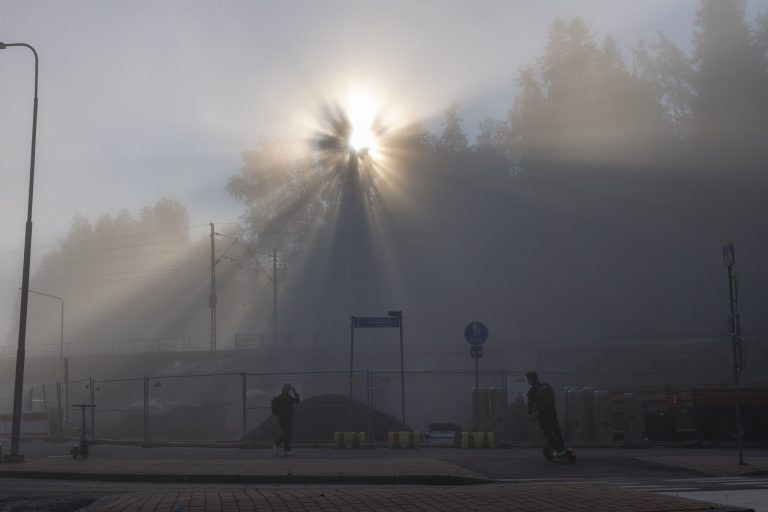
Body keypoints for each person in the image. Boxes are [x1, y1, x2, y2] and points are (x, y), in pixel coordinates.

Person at [526, 371, 566, 455]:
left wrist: (530, 412)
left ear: (531, 379)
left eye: (528, 379)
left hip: (543, 413)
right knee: (556, 430)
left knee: (548, 432)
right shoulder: (546, 385)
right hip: (552, 410)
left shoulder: (532, 390)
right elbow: (553, 396)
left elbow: (530, 405)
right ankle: (563, 448)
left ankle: (557, 450)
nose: (528, 381)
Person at [272, 382, 300, 453]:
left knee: (287, 433)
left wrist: (295, 393)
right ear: (285, 389)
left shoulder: (285, 397)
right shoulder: (283, 397)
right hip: (284, 418)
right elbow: (297, 401)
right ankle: (284, 447)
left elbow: (297, 401)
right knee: (288, 433)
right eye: (289, 388)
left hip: (287, 418)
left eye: (290, 389)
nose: (289, 390)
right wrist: (295, 393)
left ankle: (284, 447)